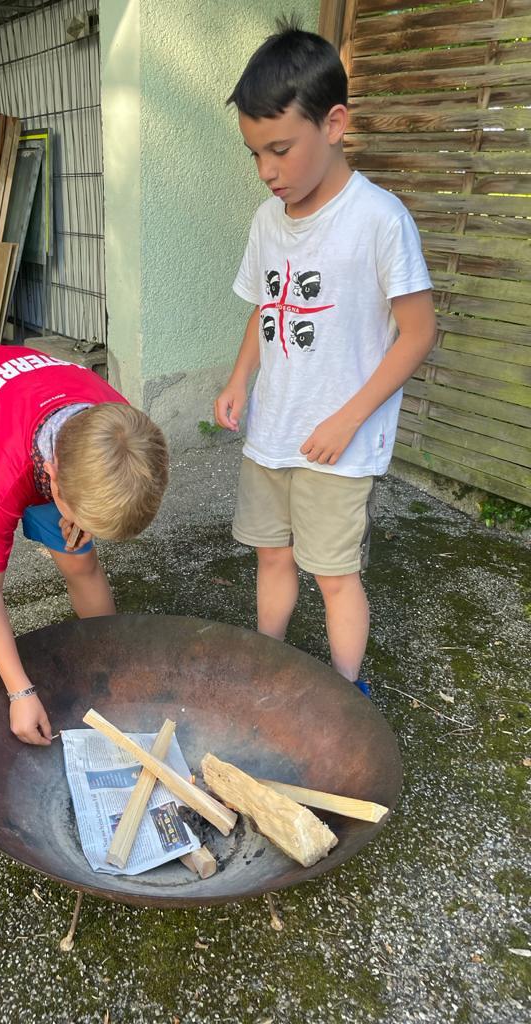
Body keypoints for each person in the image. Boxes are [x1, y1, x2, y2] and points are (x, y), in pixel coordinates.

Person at [214, 24, 436, 694]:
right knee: (272, 557)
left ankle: (345, 692)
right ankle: (267, 669)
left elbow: (418, 333)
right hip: (272, 432)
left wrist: (348, 419)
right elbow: (266, 305)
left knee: (335, 576)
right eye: (255, 153)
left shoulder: (379, 220)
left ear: (334, 123)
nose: (266, 170)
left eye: (280, 149)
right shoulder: (266, 222)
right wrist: (240, 377)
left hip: (338, 444)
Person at [0, 345, 169, 743]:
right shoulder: (3, 479)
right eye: (81, 515)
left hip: (36, 423)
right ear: (52, 478)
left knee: (81, 562)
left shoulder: (121, 430)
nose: (84, 527)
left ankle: (107, 668)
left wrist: (80, 516)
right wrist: (21, 691)